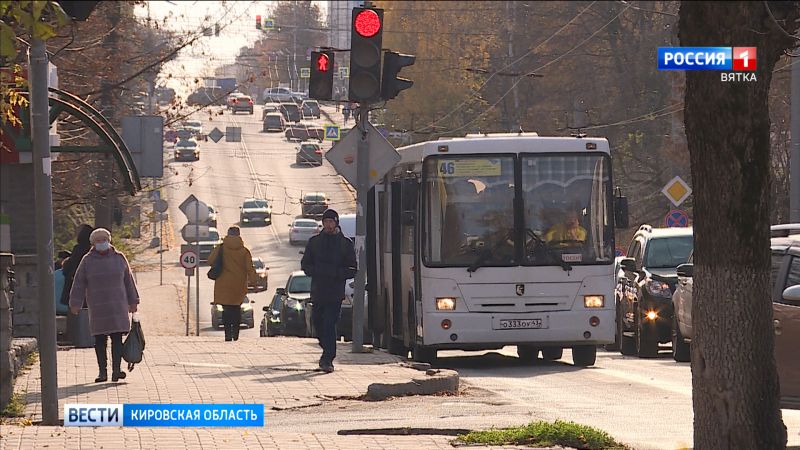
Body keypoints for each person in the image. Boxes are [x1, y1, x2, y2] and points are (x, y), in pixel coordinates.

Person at [69, 228, 139, 383]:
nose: (102, 243)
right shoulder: (87, 260)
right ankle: (102, 372)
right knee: (100, 340)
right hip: (98, 307)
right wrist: (75, 303)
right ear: (93, 243)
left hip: (117, 306)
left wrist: (133, 301)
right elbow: (79, 283)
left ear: (109, 240)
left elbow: (128, 281)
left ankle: (116, 370)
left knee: (117, 339)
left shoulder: (119, 258)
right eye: (98, 241)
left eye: (104, 240)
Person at [301, 209, 357, 373]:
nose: (328, 225)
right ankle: (326, 347)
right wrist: (316, 270)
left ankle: (327, 359)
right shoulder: (315, 242)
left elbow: (352, 268)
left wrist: (336, 274)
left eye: (331, 222)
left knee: (329, 323)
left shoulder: (345, 244)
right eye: (326, 222)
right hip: (318, 291)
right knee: (317, 322)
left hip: (335, 291)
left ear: (336, 223)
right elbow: (305, 264)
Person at [208, 226, 258, 342]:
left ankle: (227, 334)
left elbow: (210, 261)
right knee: (236, 309)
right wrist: (254, 282)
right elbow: (250, 268)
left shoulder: (221, 248)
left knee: (226, 310)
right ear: (239, 235)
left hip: (223, 284)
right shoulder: (244, 251)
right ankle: (235, 334)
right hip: (238, 285)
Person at [60, 224, 94, 307]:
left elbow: (68, 268)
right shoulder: (91, 252)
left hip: (73, 287)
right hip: (87, 290)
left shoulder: (77, 249)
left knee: (75, 314)